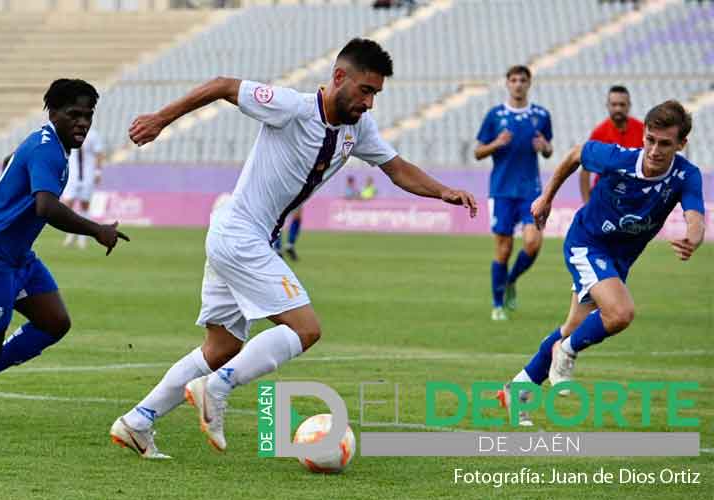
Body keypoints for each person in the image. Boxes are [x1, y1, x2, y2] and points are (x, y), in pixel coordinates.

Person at [110, 38, 478, 459]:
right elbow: (223, 85)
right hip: (240, 234)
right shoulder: (291, 107)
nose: (370, 102)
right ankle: (218, 387)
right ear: (339, 77)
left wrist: (444, 191)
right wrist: (160, 119)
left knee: (222, 347)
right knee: (306, 329)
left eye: (375, 93)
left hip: (243, 236)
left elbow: (397, 169)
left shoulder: (358, 129)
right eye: (365, 90)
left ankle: (138, 420)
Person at [0, 79, 129, 429]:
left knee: (53, 322)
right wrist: (97, 230)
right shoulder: (47, 149)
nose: (83, 123)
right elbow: (46, 206)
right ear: (54, 113)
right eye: (74, 115)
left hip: (17, 256)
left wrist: (10, 195)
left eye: (88, 116)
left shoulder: (48, 143)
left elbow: (9, 161)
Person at [499, 101, 705, 426]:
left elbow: (695, 214)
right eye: (650, 139)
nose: (654, 150)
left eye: (665, 143)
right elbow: (575, 154)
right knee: (620, 313)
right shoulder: (619, 158)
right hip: (587, 243)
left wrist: (694, 236)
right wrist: (547, 197)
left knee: (573, 327)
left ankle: (517, 389)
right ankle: (566, 353)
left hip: (618, 259)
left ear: (681, 144)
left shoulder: (685, 175)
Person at [475, 65, 553, 321]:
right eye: (514, 80)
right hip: (501, 192)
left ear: (529, 83)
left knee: (533, 242)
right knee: (504, 249)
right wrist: (496, 144)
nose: (518, 84)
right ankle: (497, 305)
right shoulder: (495, 116)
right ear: (507, 83)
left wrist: (545, 147)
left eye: (523, 80)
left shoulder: (541, 115)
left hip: (531, 191)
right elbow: (477, 152)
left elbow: (548, 149)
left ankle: (510, 280)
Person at [579, 85, 644, 204]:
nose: (618, 108)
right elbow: (585, 170)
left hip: (634, 197)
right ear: (607, 106)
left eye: (622, 104)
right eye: (614, 104)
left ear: (629, 105)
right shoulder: (599, 133)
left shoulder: (642, 130)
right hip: (604, 197)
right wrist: (586, 203)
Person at [63, 127, 106, 249]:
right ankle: (70, 233)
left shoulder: (92, 135)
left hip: (88, 175)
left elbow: (99, 154)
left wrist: (98, 172)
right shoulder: (69, 133)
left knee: (85, 205)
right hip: (72, 175)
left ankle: (83, 238)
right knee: (67, 204)